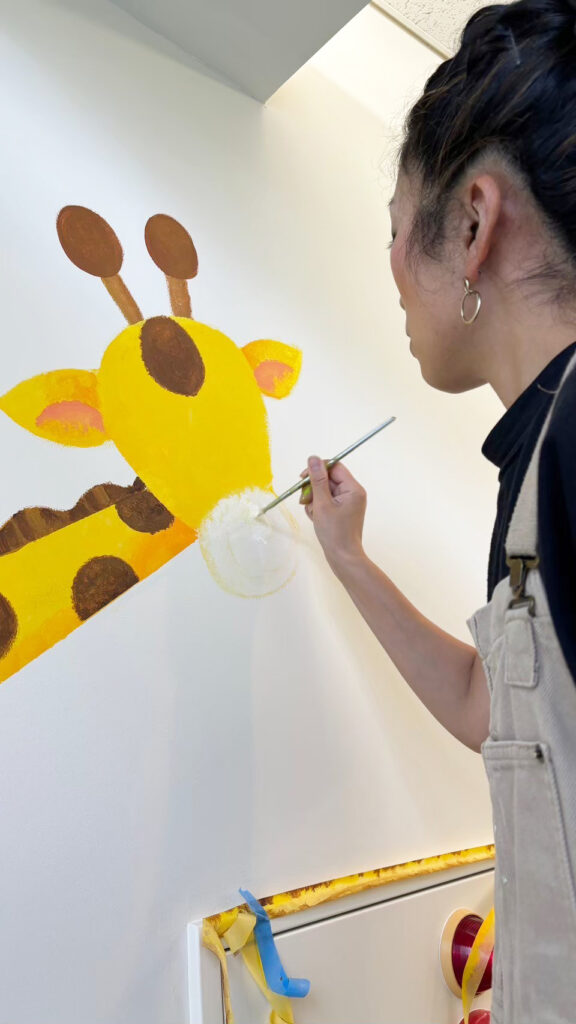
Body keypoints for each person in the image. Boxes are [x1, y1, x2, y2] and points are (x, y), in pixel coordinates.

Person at [300, 3, 576, 1022]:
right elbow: (491, 708)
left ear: (471, 223)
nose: (389, 267)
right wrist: (350, 557)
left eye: (394, 228)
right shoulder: (535, 459)